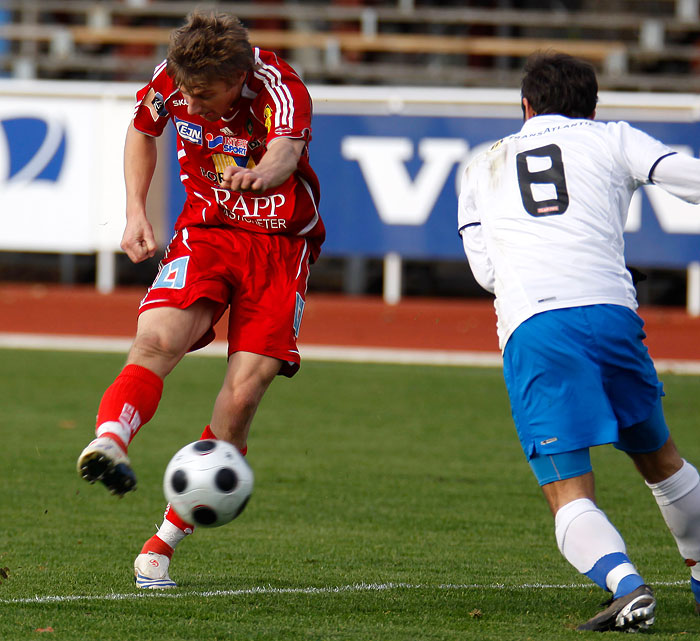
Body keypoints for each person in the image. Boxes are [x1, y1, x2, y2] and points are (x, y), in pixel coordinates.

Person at [76, 11, 325, 589]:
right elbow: (142, 129)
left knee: (242, 395)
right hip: (206, 231)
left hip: (278, 246)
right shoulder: (175, 79)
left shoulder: (280, 86)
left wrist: (262, 173)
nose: (194, 103)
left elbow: (287, 153)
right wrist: (136, 209)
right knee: (156, 338)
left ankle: (160, 544)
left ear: (239, 75)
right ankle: (110, 441)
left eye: (207, 96)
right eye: (188, 92)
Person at [458, 51, 700, 632]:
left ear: (525, 107)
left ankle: (625, 585)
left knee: (567, 487)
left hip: (538, 324)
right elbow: (684, 176)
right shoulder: (612, 137)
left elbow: (485, 274)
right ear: (593, 107)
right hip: (613, 313)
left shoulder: (481, 163)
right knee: (662, 461)